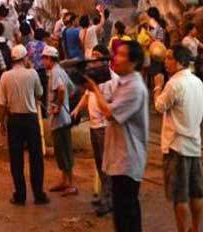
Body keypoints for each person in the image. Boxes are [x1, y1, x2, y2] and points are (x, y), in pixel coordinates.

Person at [86, 41, 149, 232]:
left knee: (127, 214)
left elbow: (109, 113)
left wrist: (94, 87)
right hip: (120, 156)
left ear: (133, 62)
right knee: (122, 214)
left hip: (128, 158)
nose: (115, 58)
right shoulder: (122, 82)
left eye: (121, 55)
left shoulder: (134, 87)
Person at [154, 45, 203, 232]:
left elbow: (159, 106)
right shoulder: (198, 83)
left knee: (180, 196)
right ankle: (195, 228)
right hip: (195, 144)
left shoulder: (174, 84)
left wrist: (157, 87)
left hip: (176, 146)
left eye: (169, 58)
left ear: (179, 62)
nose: (165, 61)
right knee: (196, 193)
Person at [0, 44, 49, 206]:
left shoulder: (5, 76)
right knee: (36, 158)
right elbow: (39, 93)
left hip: (14, 120)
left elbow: (3, 104)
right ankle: (38, 194)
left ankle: (20, 195)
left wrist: (2, 122)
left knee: (16, 159)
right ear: (24, 58)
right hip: (31, 119)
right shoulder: (32, 74)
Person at [71, 44, 117, 216]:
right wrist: (77, 109)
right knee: (99, 163)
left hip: (105, 127)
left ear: (105, 59)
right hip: (94, 126)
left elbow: (114, 104)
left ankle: (109, 199)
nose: (93, 60)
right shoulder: (94, 78)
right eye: (93, 56)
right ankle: (105, 195)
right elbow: (86, 95)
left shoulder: (113, 79)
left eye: (97, 56)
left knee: (106, 165)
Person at [43, 45, 77, 196]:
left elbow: (62, 89)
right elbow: (72, 89)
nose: (43, 61)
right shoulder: (60, 70)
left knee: (64, 152)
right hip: (62, 118)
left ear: (50, 59)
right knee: (61, 152)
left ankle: (70, 184)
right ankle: (64, 181)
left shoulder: (56, 72)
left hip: (60, 119)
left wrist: (58, 105)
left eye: (44, 58)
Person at [26, 28, 49, 111]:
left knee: (32, 92)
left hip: (32, 71)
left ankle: (33, 109)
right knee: (43, 92)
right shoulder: (44, 45)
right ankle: (43, 111)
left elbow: (27, 57)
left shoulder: (29, 44)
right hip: (42, 71)